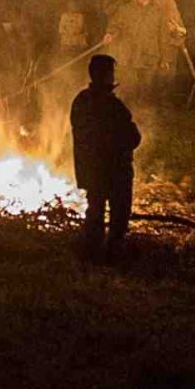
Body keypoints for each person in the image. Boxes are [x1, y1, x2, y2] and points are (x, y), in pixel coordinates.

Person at [70, 55, 141, 260]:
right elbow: (133, 138)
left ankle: (91, 249)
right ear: (108, 76)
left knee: (95, 208)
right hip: (116, 171)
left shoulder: (80, 101)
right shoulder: (114, 106)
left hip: (91, 169)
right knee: (119, 213)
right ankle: (113, 251)